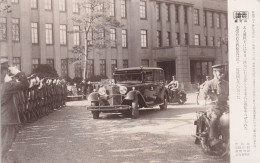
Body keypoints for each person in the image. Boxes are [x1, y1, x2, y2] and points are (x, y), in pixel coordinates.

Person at [1, 59, 29, 162]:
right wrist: (18, 73)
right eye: (6, 70)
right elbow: (25, 84)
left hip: (3, 120)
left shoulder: (5, 85)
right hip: (7, 120)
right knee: (5, 145)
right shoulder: (7, 86)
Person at [200, 64, 229, 147]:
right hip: (213, 107)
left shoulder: (227, 84)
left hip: (225, 107)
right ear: (214, 73)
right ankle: (212, 138)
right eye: (220, 73)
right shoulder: (209, 84)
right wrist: (203, 101)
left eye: (223, 72)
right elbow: (202, 94)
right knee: (215, 117)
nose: (222, 74)